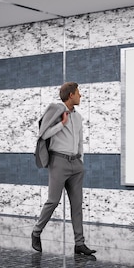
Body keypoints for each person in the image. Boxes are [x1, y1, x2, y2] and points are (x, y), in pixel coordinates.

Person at [32, 82, 96, 256]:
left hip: (76, 164)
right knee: (53, 201)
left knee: (77, 205)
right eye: (78, 93)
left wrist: (81, 161)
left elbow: (80, 141)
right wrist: (62, 123)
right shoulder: (56, 111)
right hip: (58, 162)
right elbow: (43, 134)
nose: (80, 96)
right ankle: (36, 232)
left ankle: (79, 244)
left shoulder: (79, 117)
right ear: (70, 95)